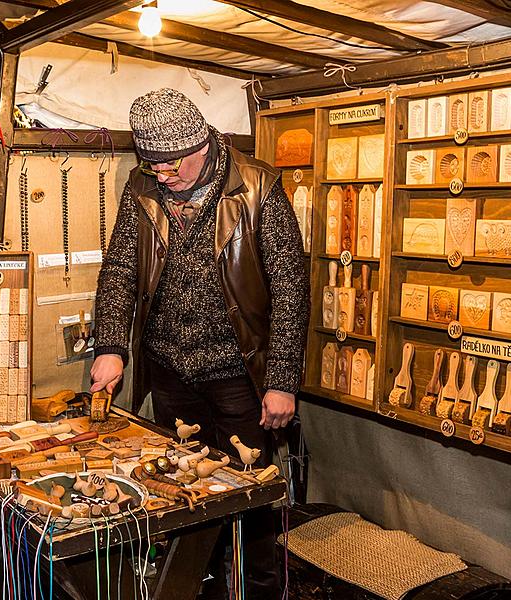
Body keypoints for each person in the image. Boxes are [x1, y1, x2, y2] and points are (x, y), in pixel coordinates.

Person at [90, 88, 310, 597]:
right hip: (169, 369)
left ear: (200, 145)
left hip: (239, 374)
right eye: (154, 167)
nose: (162, 177)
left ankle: (257, 588)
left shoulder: (258, 188)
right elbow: (120, 270)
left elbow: (290, 288)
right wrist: (111, 345)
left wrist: (281, 381)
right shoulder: (141, 189)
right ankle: (198, 584)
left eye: (171, 167)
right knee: (182, 490)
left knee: (250, 496)